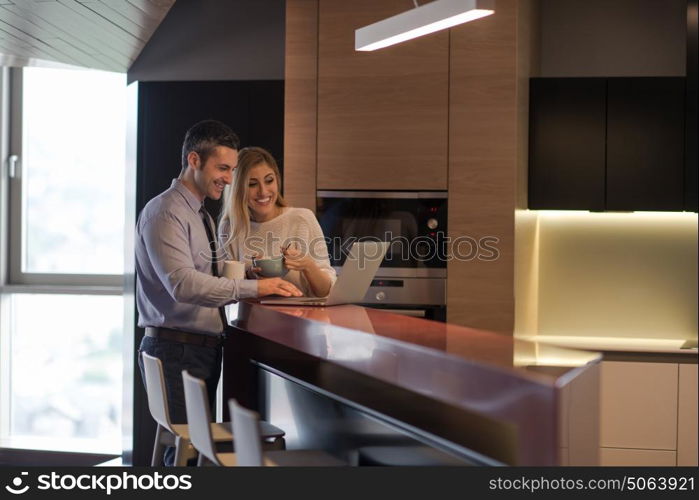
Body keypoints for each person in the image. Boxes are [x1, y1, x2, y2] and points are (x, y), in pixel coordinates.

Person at [135, 121, 301, 466]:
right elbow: (183, 284)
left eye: (231, 169)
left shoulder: (200, 215)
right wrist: (257, 286)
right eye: (222, 168)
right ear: (194, 160)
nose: (228, 179)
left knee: (187, 454)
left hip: (193, 351)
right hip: (177, 350)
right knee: (185, 457)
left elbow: (206, 273)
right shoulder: (166, 212)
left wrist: (248, 270)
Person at [219, 146, 336, 297]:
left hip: (301, 317)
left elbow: (326, 292)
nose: (263, 191)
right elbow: (226, 291)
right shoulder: (230, 228)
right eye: (252, 184)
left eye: (269, 180)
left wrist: (307, 266)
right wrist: (250, 277)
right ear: (238, 189)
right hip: (251, 317)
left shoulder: (302, 219)